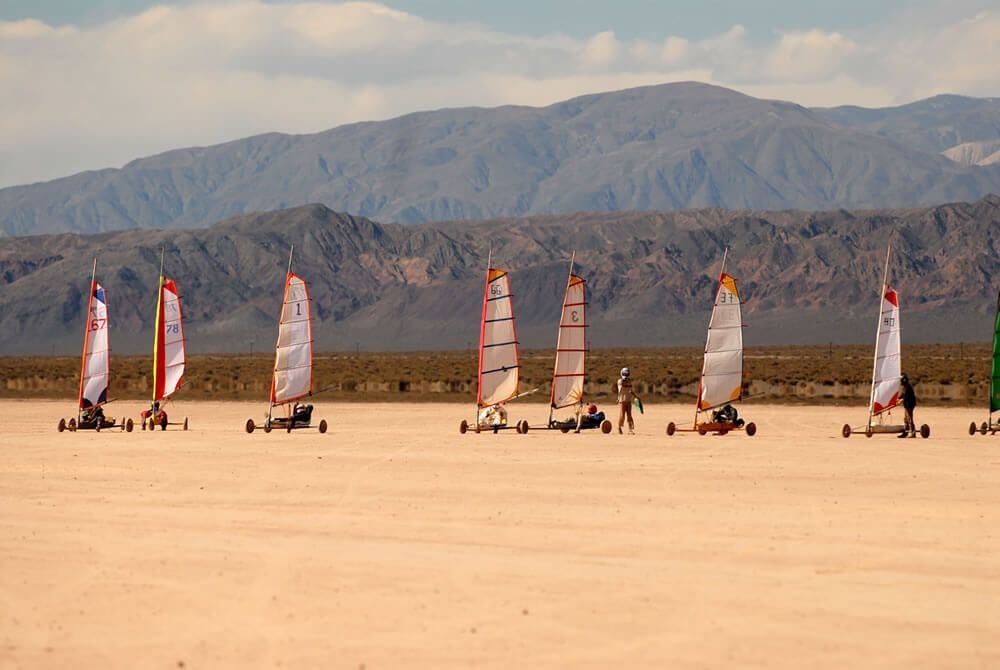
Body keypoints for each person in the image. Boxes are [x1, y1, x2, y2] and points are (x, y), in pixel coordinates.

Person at [616, 367, 640, 434]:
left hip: (628, 400)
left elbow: (631, 391)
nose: (626, 375)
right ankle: (619, 427)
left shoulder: (629, 381)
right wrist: (618, 398)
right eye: (624, 373)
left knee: (629, 415)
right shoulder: (620, 381)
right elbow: (619, 390)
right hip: (622, 401)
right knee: (622, 415)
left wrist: (636, 396)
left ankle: (630, 429)